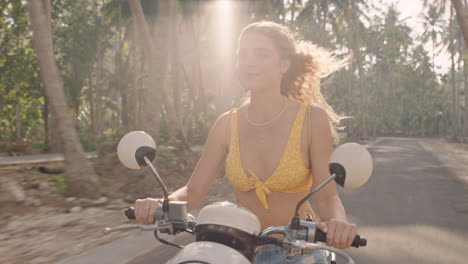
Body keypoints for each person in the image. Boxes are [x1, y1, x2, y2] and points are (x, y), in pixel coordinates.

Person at [134, 21, 357, 263]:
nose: (249, 62)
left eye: (261, 54)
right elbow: (194, 191)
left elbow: (326, 197)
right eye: (243, 54)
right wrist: (160, 203)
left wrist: (338, 224)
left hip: (299, 251)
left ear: (284, 64)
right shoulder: (225, 124)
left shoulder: (312, 119)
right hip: (238, 251)